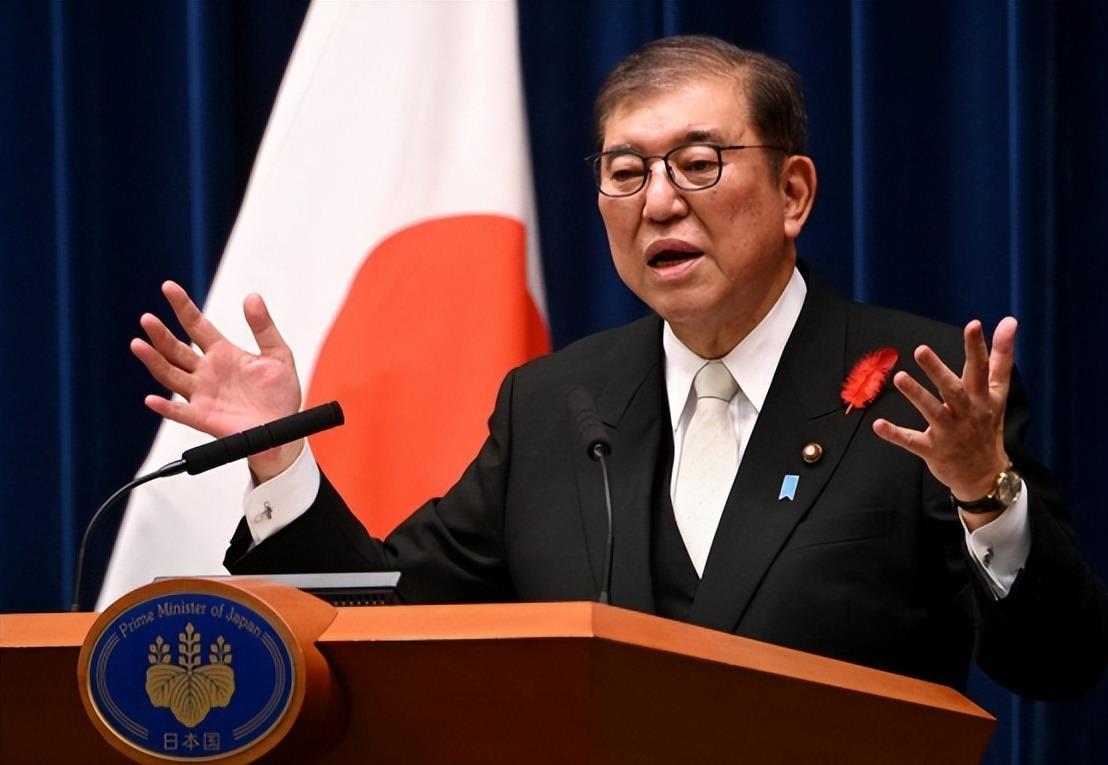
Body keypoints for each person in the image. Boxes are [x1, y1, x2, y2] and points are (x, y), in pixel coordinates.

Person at [132, 36, 1106, 698]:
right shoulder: (556, 403)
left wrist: (984, 494)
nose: (659, 203)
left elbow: (1058, 663)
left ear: (794, 192)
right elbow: (385, 619)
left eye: (699, 163)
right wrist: (277, 459)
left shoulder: (924, 394)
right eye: (626, 172)